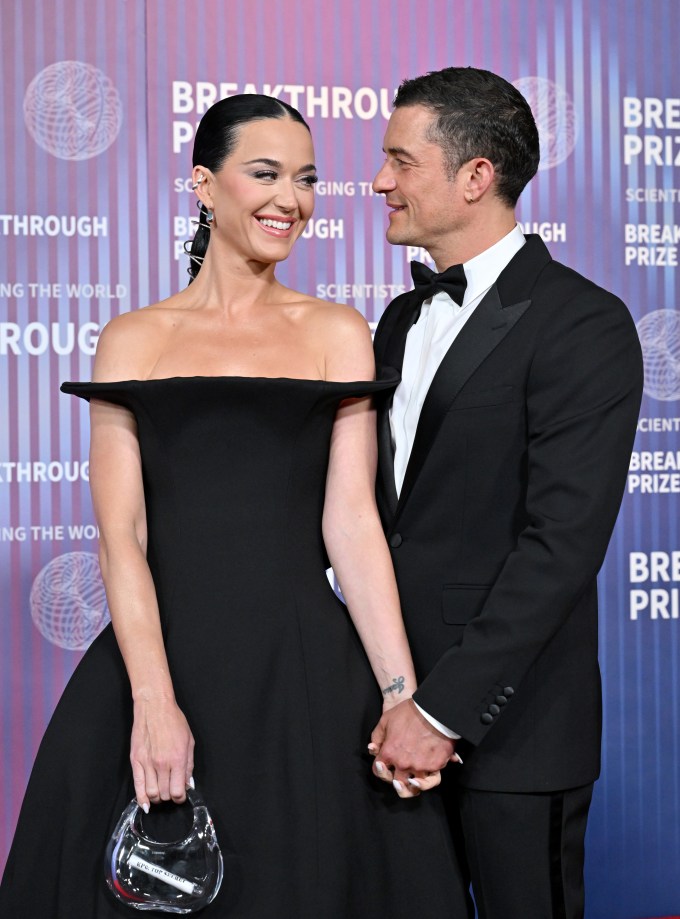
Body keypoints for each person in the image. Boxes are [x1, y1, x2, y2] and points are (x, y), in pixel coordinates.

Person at [0, 95, 470, 917]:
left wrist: (401, 694)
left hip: (304, 682)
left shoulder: (335, 330)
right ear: (204, 186)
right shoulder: (133, 338)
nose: (291, 199)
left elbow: (351, 523)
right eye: (265, 173)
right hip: (161, 663)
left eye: (307, 178)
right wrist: (154, 704)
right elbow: (123, 537)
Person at [368, 67, 643, 919]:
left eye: (401, 161)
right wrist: (391, 698)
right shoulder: (398, 321)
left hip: (512, 728)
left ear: (475, 176)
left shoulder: (582, 324)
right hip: (383, 723)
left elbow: (558, 546)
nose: (380, 181)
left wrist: (442, 712)